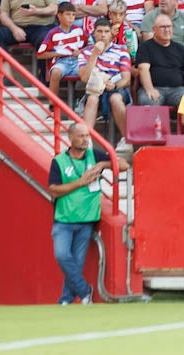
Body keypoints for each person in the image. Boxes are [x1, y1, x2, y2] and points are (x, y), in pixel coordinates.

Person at [47, 122, 109, 305]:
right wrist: (80, 182)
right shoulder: (59, 161)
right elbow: (53, 190)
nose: (85, 140)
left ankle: (66, 299)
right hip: (64, 219)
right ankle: (84, 291)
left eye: (87, 136)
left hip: (87, 220)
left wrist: (104, 164)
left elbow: (122, 164)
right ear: (71, 137)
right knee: (62, 255)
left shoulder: (94, 155)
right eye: (81, 136)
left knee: (76, 262)